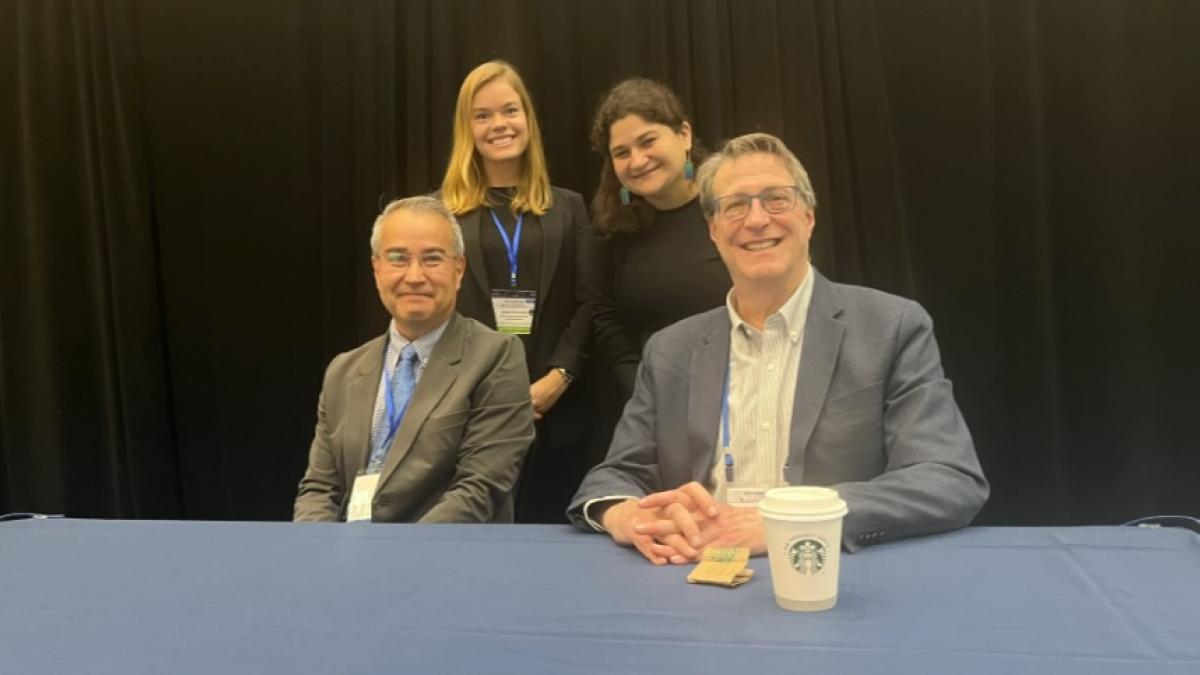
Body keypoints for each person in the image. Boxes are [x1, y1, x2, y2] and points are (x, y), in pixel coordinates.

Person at [568, 133, 988, 564]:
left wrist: (788, 520)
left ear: (808, 216)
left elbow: (947, 477)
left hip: (831, 577)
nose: (755, 220)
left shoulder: (890, 327)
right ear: (713, 230)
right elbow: (615, 475)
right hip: (694, 579)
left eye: (776, 199)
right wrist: (626, 515)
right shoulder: (670, 350)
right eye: (734, 206)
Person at [294, 195, 534, 523]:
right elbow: (320, 487)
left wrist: (396, 559)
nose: (414, 275)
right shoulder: (343, 370)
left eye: (432, 259)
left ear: (459, 269)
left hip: (445, 560)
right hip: (346, 559)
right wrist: (320, 551)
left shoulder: (496, 357)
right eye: (398, 258)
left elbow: (481, 487)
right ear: (376, 269)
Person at [439, 61, 596, 523]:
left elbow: (591, 301)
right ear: (467, 128)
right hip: (471, 410)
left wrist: (558, 379)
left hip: (558, 410)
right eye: (482, 115)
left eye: (509, 110)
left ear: (528, 117)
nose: (499, 125)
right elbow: (433, 312)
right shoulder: (440, 212)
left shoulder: (569, 207)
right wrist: (496, 393)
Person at [589, 78, 732, 399]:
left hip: (743, 395)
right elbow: (605, 318)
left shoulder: (733, 207)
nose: (637, 160)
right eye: (622, 152)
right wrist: (642, 389)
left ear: (684, 135)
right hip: (650, 402)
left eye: (647, 141)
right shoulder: (612, 229)